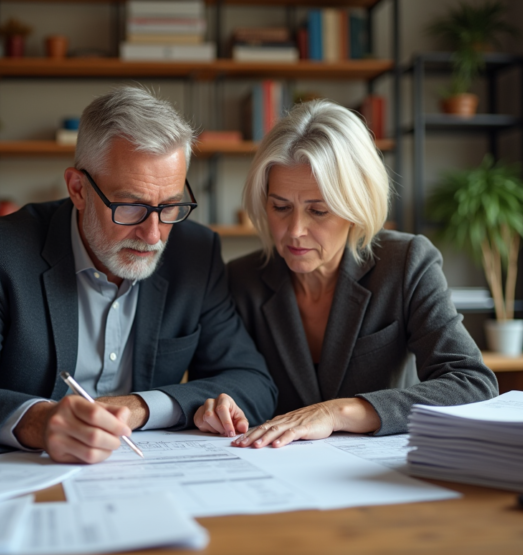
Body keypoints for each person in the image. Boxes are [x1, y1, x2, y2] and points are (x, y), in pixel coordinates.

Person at [0, 86, 277, 463]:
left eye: (170, 206)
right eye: (131, 207)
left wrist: (140, 407)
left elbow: (253, 382)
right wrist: (40, 422)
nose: (153, 235)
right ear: (78, 189)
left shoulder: (195, 253)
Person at [193, 99, 497, 447]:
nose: (294, 230)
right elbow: (220, 387)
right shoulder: (240, 280)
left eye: (318, 211)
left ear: (357, 206)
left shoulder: (406, 263)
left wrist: (338, 412)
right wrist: (215, 407)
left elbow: (472, 383)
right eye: (280, 207)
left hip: (379, 474)